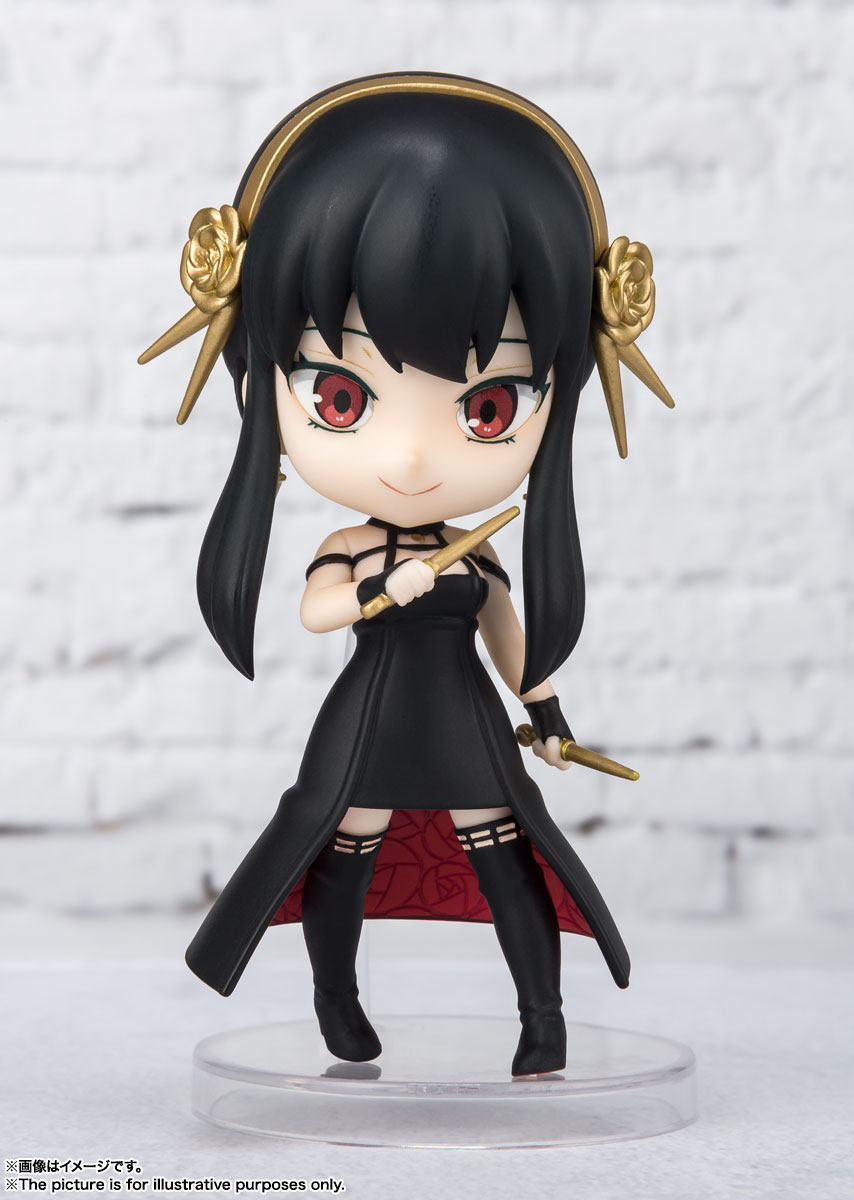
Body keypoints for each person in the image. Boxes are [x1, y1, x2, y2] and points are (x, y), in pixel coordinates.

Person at [140, 72, 672, 1076]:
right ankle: (336, 1004)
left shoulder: (482, 554)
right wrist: (381, 592)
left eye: (487, 408)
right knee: (342, 847)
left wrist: (547, 716)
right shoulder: (353, 547)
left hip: (464, 717)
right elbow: (316, 611)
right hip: (368, 717)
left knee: (505, 852)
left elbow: (509, 637)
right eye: (340, 397)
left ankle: (541, 1018)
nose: (415, 459)